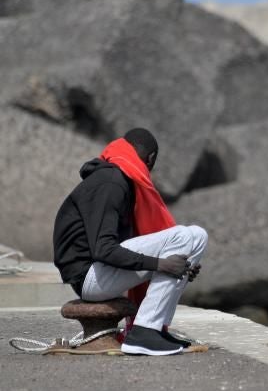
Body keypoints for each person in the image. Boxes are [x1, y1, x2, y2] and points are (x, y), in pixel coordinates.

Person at [53, 128, 207, 356]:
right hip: (89, 278)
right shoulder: (111, 182)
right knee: (183, 236)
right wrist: (159, 264)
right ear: (151, 159)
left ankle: (156, 331)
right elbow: (103, 249)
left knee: (197, 235)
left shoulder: (117, 178)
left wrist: (180, 268)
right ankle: (144, 331)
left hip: (101, 272)